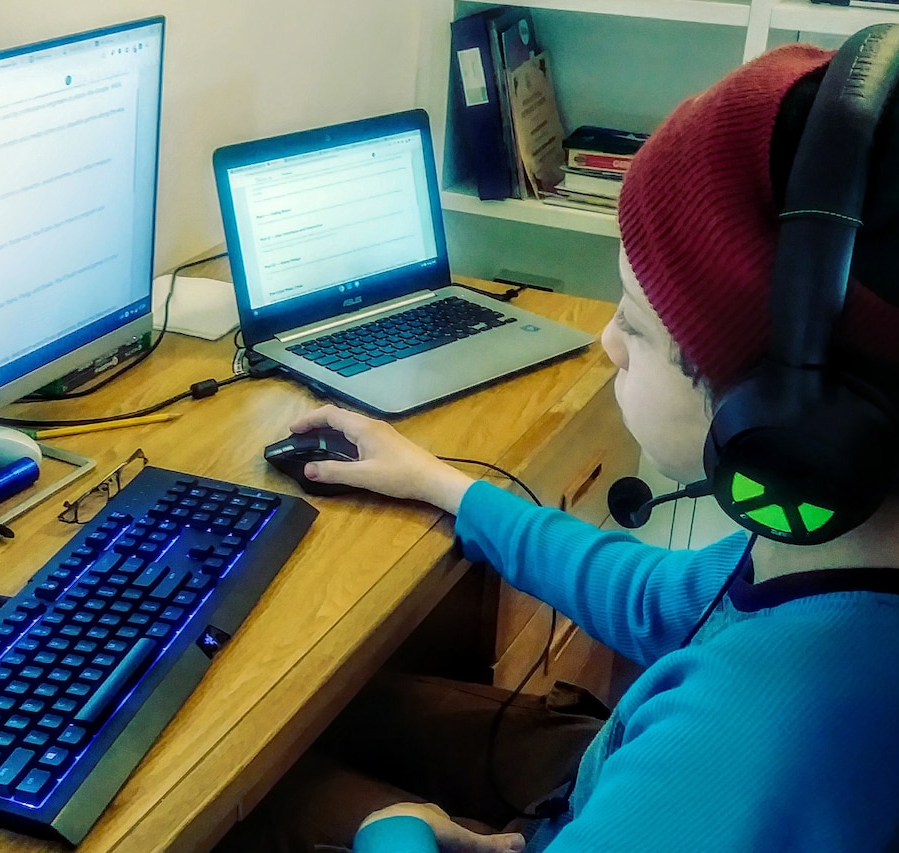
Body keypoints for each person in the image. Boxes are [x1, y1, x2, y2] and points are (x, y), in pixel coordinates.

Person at [215, 36, 899, 853]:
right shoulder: (830, 568)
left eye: (637, 326)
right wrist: (443, 484)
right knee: (354, 706)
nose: (607, 340)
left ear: (778, 410)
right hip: (601, 784)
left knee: (269, 794)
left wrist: (398, 835)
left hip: (620, 799)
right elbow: (661, 600)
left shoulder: (747, 741)